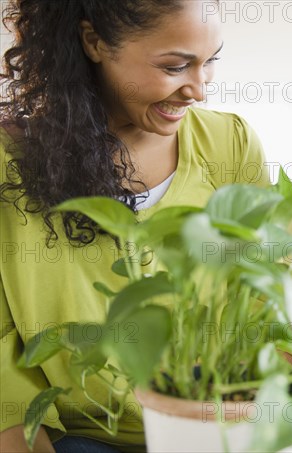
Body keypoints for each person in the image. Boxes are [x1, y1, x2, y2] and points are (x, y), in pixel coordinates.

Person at [0, 1, 269, 451]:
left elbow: (266, 288)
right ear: (94, 42)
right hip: (77, 435)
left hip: (212, 426)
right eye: (176, 66)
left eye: (210, 62)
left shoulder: (231, 143)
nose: (199, 90)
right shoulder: (10, 161)